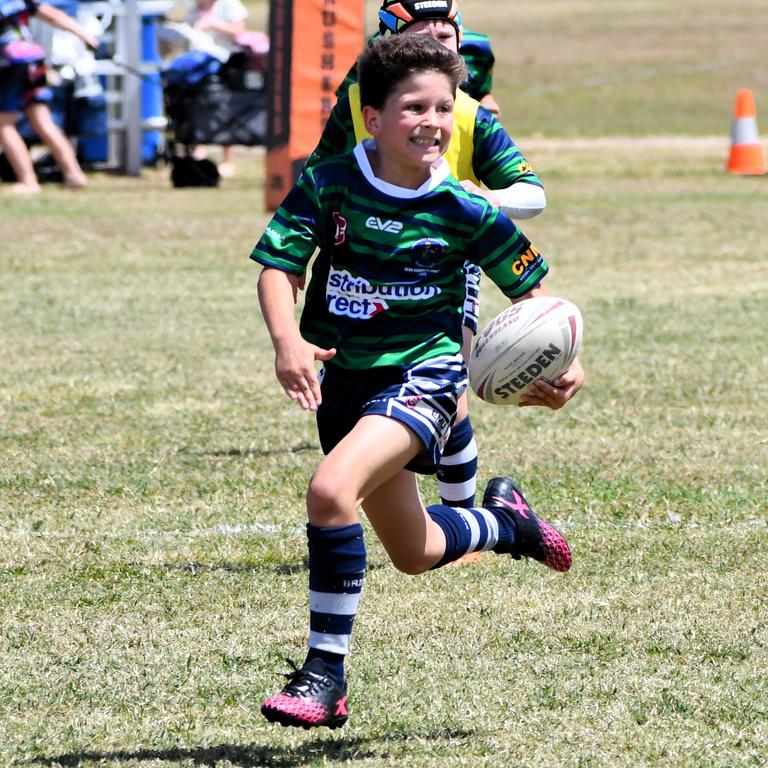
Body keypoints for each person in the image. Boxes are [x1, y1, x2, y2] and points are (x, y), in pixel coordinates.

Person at [252, 34, 578, 730]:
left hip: (423, 376)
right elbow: (278, 267)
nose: (432, 120)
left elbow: (536, 299)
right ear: (372, 118)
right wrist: (290, 344)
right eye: (412, 107)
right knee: (416, 550)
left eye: (443, 106)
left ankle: (323, 676)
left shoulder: (467, 209)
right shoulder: (330, 181)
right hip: (344, 383)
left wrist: (561, 366)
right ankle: (508, 524)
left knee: (330, 491)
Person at [306, 0, 582, 536]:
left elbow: (532, 195)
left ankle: (464, 516)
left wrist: (473, 199)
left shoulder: (471, 115)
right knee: (377, 405)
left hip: (448, 259)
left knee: (449, 380)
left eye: (446, 35)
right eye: (423, 33)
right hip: (363, 274)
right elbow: (319, 186)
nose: (438, 43)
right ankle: (476, 524)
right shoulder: (361, 100)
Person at [0, 0, 99, 194]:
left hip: (9, 64)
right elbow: (52, 15)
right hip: (34, 61)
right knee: (42, 121)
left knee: (4, 125)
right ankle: (73, 174)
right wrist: (85, 35)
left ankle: (29, 182)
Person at [186, 0, 247, 177]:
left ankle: (227, 159)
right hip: (199, 67)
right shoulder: (194, 8)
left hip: (226, 65)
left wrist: (214, 24)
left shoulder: (229, 5)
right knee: (197, 107)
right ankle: (199, 150)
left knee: (224, 111)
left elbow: (240, 31)